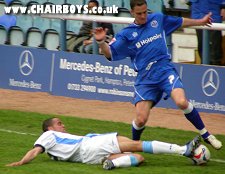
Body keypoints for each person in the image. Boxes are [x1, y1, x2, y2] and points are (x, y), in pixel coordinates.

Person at [93, 0, 222, 150]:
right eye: (139, 13)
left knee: (181, 102)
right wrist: (102, 42)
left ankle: (206, 135)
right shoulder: (126, 35)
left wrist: (200, 21)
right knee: (140, 120)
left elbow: (180, 22)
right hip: (145, 79)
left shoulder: (157, 20)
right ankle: (134, 145)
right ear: (132, 13)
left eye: (145, 12)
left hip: (164, 70)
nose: (143, 16)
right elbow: (109, 54)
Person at [6, 117, 201, 170]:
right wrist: (21, 162)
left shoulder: (54, 145)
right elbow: (35, 151)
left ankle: (112, 163)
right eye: (59, 123)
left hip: (86, 157)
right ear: (49, 129)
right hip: (89, 146)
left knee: (138, 158)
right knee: (135, 145)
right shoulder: (47, 137)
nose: (63, 125)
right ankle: (183, 150)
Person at [189, 0, 225, 65]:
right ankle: (204, 67)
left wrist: (224, 7)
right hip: (198, 14)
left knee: (214, 47)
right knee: (201, 45)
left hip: (213, 14)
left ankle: (215, 67)